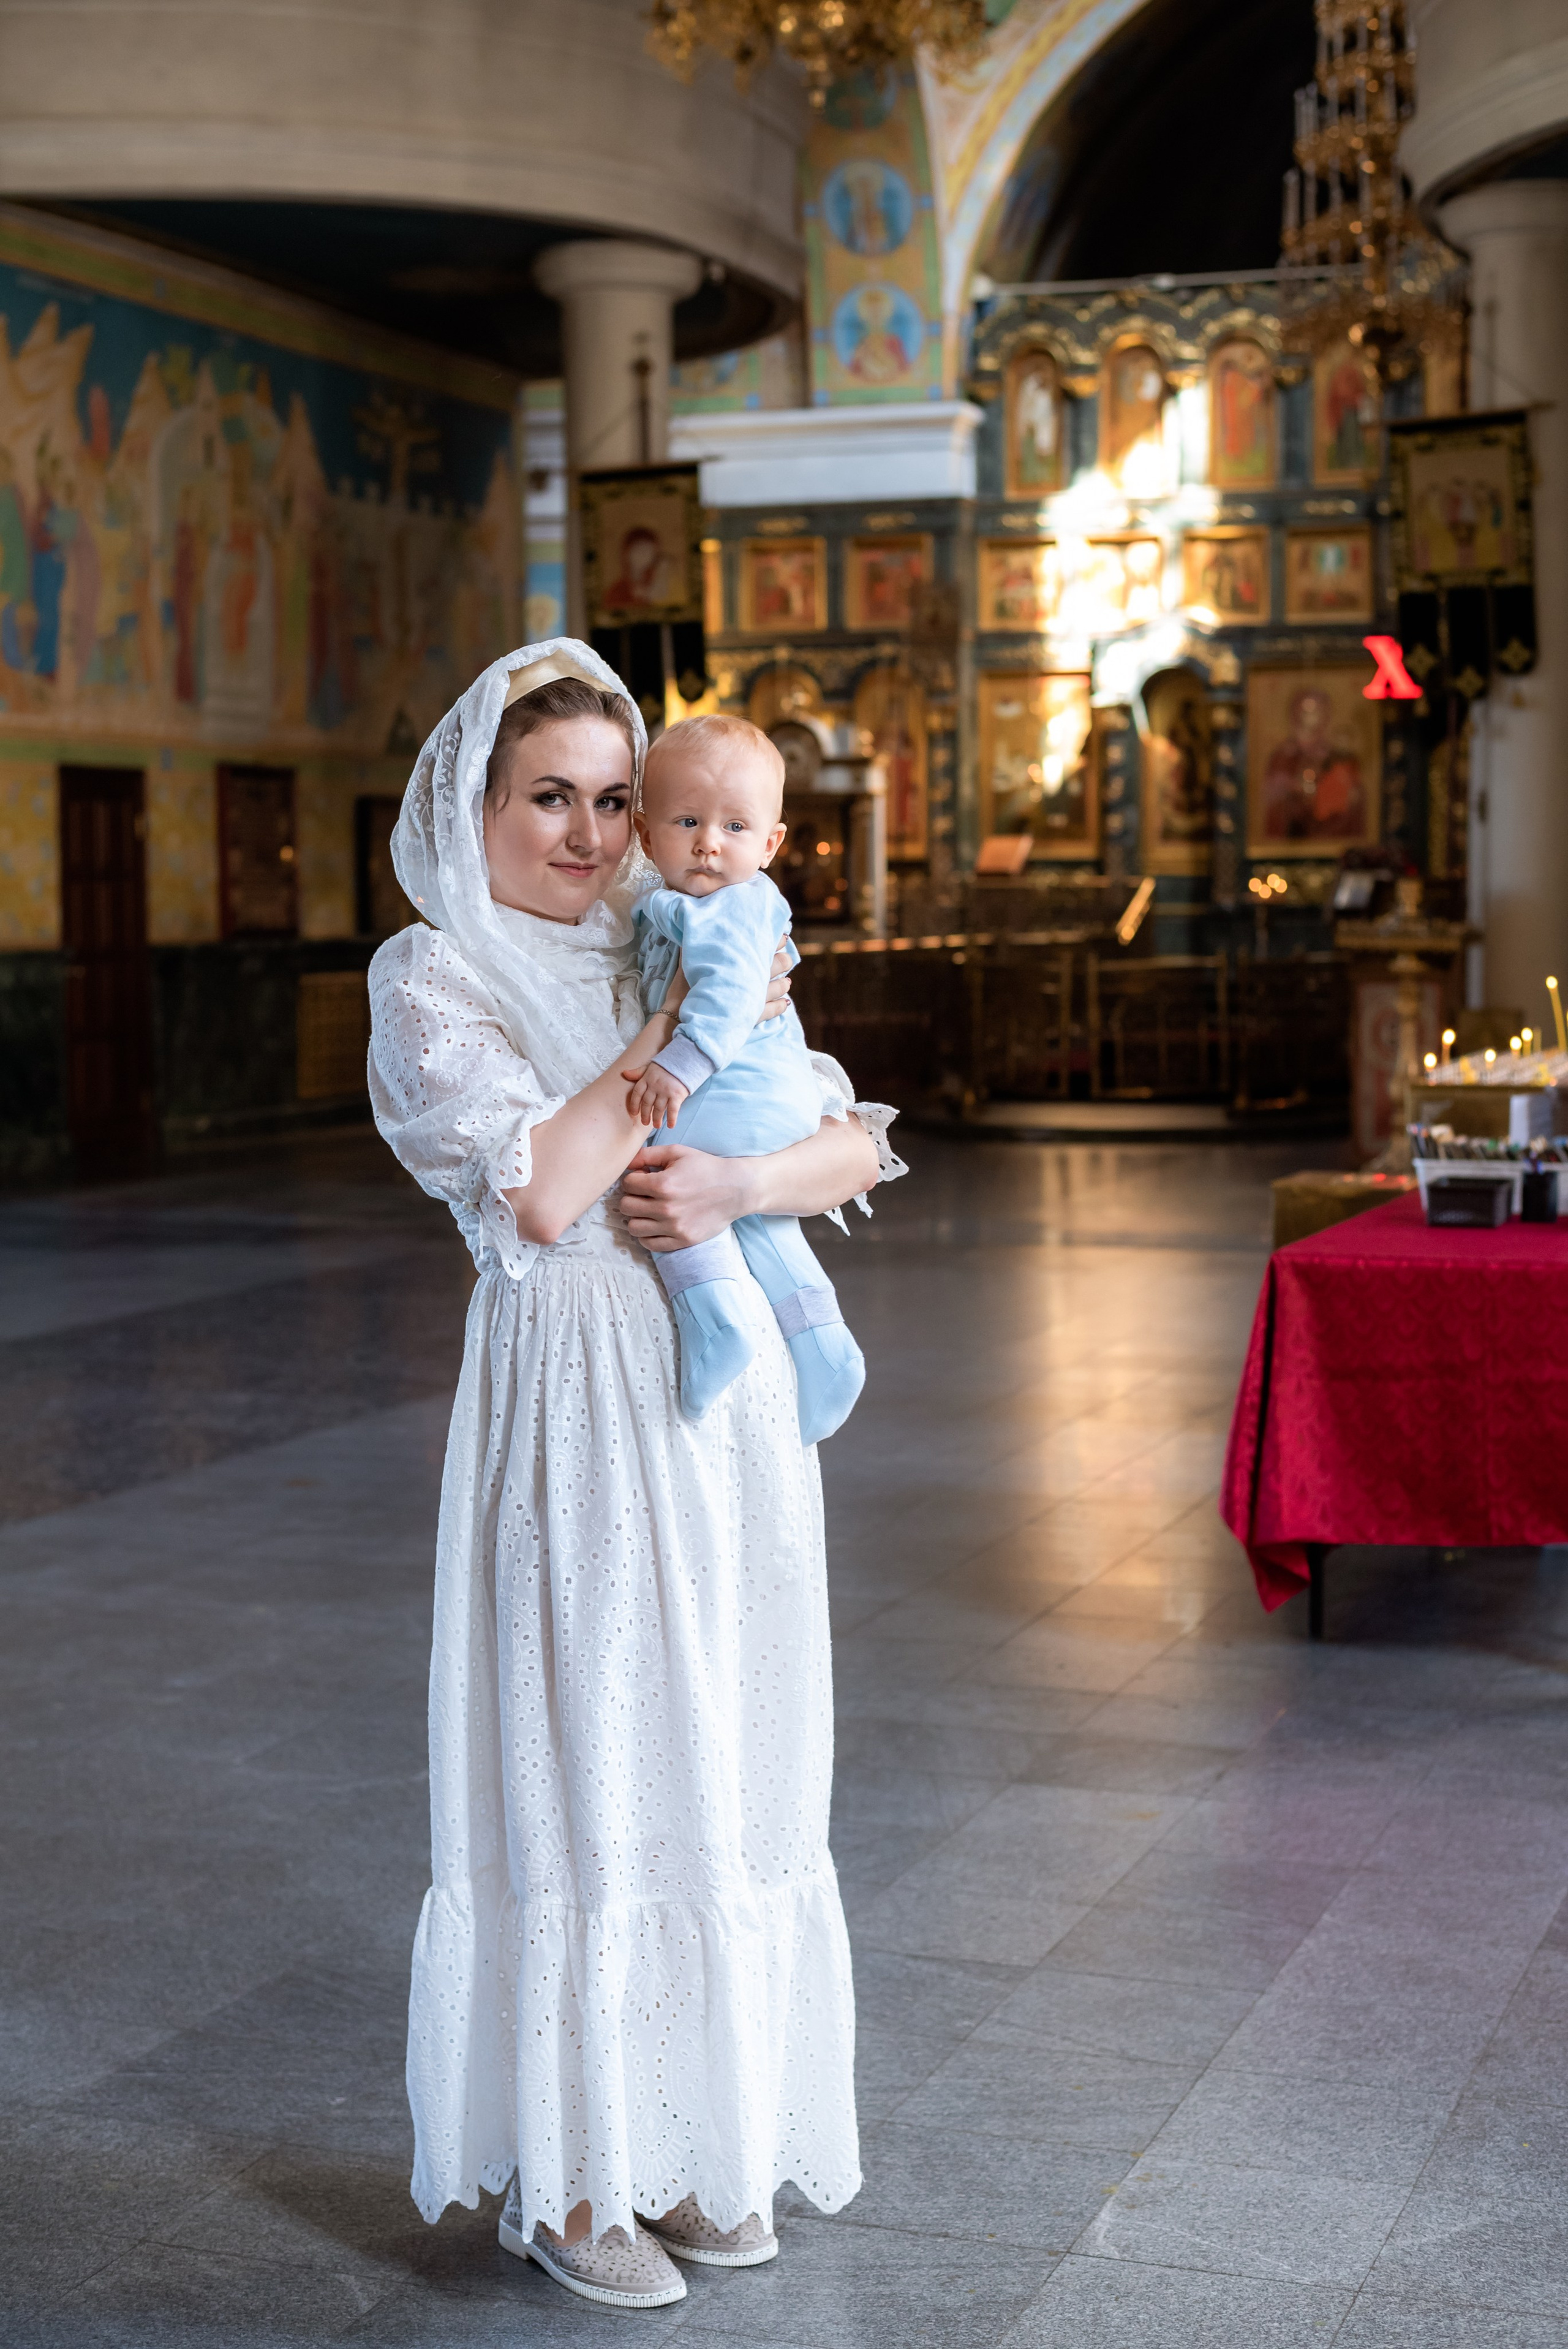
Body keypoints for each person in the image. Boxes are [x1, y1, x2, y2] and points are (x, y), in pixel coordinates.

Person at [367, 640, 902, 2312]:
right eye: (554, 798)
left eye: (617, 798)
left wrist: (738, 1181)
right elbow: (538, 1191)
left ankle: (698, 2140)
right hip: (578, 1397)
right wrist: (676, 1029)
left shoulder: (681, 919)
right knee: (596, 1744)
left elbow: (851, 1137)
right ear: (482, 800)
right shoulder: (436, 972)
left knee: (726, 1743)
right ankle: (578, 2172)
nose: (596, 835)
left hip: (715, 1395)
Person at [625, 711, 866, 1443]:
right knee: (767, 1231)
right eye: (689, 820)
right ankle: (825, 1349)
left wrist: (676, 1067)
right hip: (774, 1105)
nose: (707, 842)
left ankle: (717, 1320)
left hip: (728, 1091)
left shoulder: (728, 906)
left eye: (735, 827)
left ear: (771, 843)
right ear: (646, 833)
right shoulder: (719, 900)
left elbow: (730, 997)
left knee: (652, 1173)